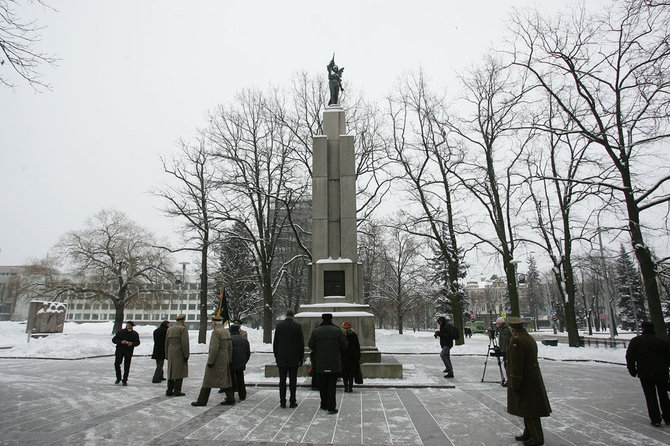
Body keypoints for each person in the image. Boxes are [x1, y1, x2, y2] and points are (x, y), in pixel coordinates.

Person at [506, 316, 551, 446]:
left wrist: (515, 381)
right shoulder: (527, 338)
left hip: (525, 379)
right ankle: (529, 432)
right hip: (532, 377)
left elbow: (517, 364)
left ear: (512, 328)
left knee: (530, 409)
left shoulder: (517, 341)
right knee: (527, 408)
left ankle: (536, 437)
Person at [626, 321, 670, 427]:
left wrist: (632, 370)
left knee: (650, 396)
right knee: (664, 395)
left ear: (643, 329)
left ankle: (655, 418)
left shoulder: (636, 341)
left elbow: (630, 357)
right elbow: (668, 356)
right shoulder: (661, 341)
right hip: (661, 372)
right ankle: (668, 417)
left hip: (645, 373)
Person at [308, 313, 347, 414]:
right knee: (331, 385)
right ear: (331, 319)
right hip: (333, 363)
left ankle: (324, 404)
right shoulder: (337, 330)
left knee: (322, 385)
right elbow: (344, 345)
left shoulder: (316, 331)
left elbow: (311, 345)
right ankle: (331, 407)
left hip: (321, 362)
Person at [191, 316, 235, 406]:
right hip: (224, 358)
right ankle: (230, 398)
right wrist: (229, 359)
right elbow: (230, 347)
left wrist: (210, 361)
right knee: (225, 379)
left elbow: (214, 348)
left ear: (214, 323)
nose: (212, 324)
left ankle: (202, 400)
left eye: (212, 323)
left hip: (216, 359)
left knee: (207, 380)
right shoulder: (226, 332)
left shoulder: (216, 332)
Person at [273, 309, 305, 408]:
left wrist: (277, 356)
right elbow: (301, 344)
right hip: (293, 357)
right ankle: (292, 401)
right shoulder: (297, 326)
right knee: (293, 381)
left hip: (282, 357)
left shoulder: (279, 326)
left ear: (286, 315)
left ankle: (282, 401)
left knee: (282, 381)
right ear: (293, 315)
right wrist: (301, 358)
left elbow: (276, 343)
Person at [166, 314, 190, 397]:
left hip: (171, 352)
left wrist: (167, 354)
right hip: (179, 352)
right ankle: (177, 390)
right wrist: (186, 354)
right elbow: (185, 343)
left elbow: (166, 343)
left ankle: (169, 389)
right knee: (179, 372)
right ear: (183, 320)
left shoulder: (169, 329)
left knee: (171, 371)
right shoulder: (182, 329)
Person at [112, 321, 140, 386]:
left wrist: (132, 343)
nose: (129, 327)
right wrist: (121, 341)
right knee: (117, 364)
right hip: (120, 350)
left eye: (131, 326)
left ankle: (125, 380)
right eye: (128, 325)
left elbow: (138, 342)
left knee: (127, 366)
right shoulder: (120, 332)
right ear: (126, 326)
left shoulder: (135, 334)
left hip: (129, 351)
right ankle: (118, 378)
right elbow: (114, 340)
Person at [229, 322, 251, 401]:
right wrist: (244, 361)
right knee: (240, 379)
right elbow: (248, 352)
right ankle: (242, 395)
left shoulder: (229, 339)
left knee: (230, 380)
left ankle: (230, 396)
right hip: (241, 363)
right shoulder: (244, 340)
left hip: (231, 363)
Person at [341, 321, 361, 393]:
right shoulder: (354, 335)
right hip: (352, 357)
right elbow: (357, 346)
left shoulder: (342, 335)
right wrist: (358, 356)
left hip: (343, 357)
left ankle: (346, 387)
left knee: (345, 373)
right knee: (351, 373)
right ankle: (350, 387)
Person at [496, 316, 512, 385]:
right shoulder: (503, 329)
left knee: (507, 365)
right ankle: (509, 380)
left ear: (500, 323)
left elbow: (505, 341)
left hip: (506, 350)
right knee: (506, 365)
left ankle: (510, 380)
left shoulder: (505, 330)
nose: (497, 324)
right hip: (505, 350)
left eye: (498, 323)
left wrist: (503, 349)